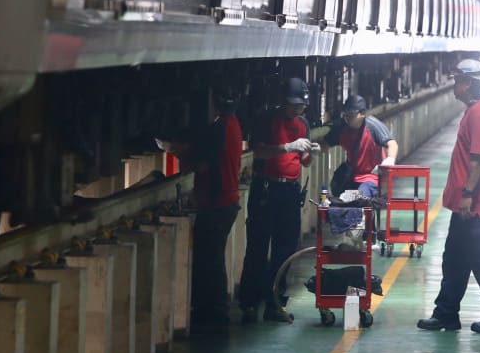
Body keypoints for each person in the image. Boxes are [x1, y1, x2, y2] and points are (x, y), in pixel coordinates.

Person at [417, 59, 480, 334]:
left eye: (458, 81)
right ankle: (446, 313)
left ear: (469, 84)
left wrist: (468, 194)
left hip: (474, 204)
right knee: (455, 259)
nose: (454, 85)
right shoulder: (476, 110)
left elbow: (477, 159)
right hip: (468, 203)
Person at [156, 87, 243, 332]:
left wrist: (176, 152)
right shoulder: (232, 124)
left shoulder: (220, 128)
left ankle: (215, 312)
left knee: (210, 259)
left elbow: (203, 164)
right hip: (224, 200)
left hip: (217, 202)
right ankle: (209, 309)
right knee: (211, 258)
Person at [239, 77, 317, 324]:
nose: (297, 109)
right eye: (293, 105)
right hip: (266, 188)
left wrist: (310, 153)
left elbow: (304, 160)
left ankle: (275, 302)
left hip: (289, 190)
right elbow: (259, 151)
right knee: (258, 247)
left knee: (285, 248)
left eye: (300, 106)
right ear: (283, 102)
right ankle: (249, 303)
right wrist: (287, 147)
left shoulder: (303, 123)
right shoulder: (267, 119)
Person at [320, 94, 398, 199]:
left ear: (362, 114)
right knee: (341, 199)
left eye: (351, 115)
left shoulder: (372, 126)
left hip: (371, 177)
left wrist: (390, 159)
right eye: (346, 115)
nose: (348, 119)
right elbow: (325, 144)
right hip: (352, 176)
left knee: (359, 196)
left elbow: (392, 144)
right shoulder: (342, 128)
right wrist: (314, 149)